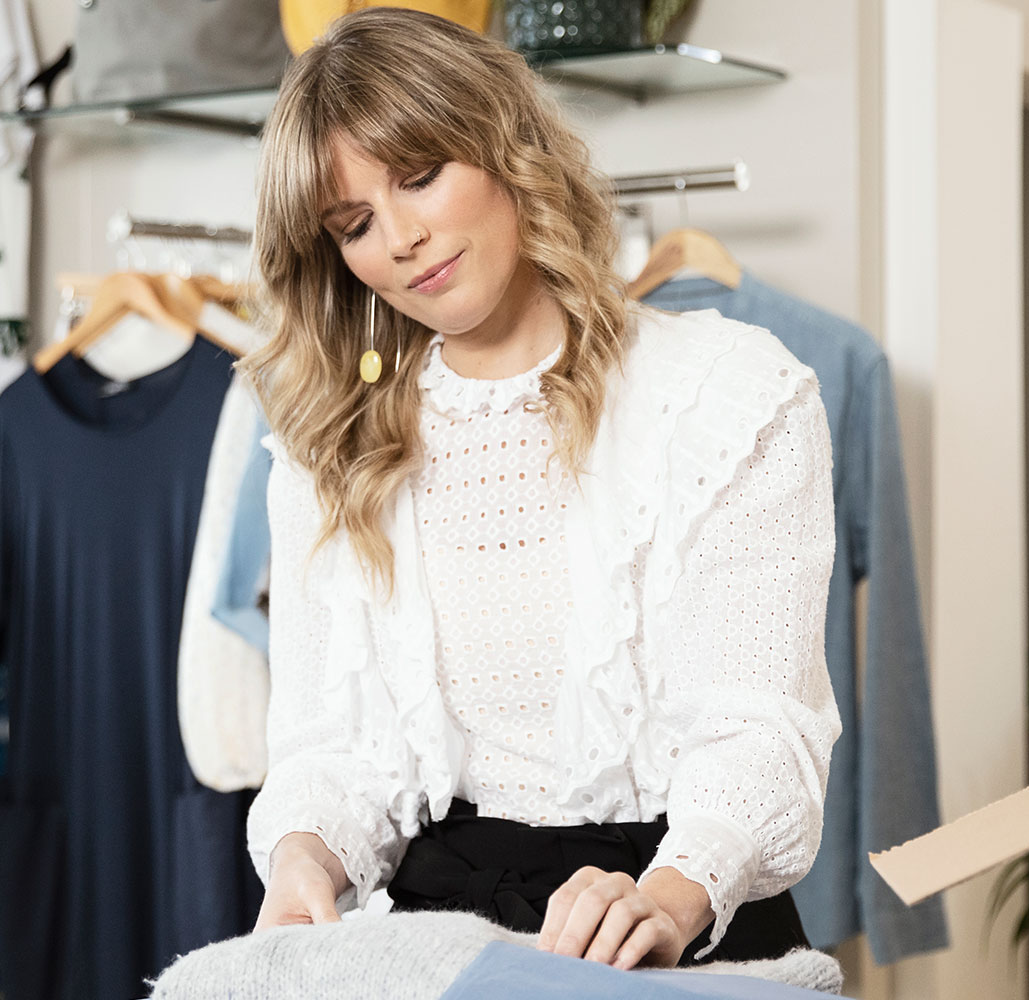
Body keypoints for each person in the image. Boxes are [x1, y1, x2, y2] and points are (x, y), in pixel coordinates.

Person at [237, 8, 838, 970]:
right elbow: (332, 751)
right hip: (443, 943)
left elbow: (759, 725)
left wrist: (675, 896)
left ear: (506, 146)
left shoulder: (730, 400)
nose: (398, 238)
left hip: (682, 923)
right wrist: (305, 857)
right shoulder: (327, 454)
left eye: (420, 175)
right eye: (352, 224)